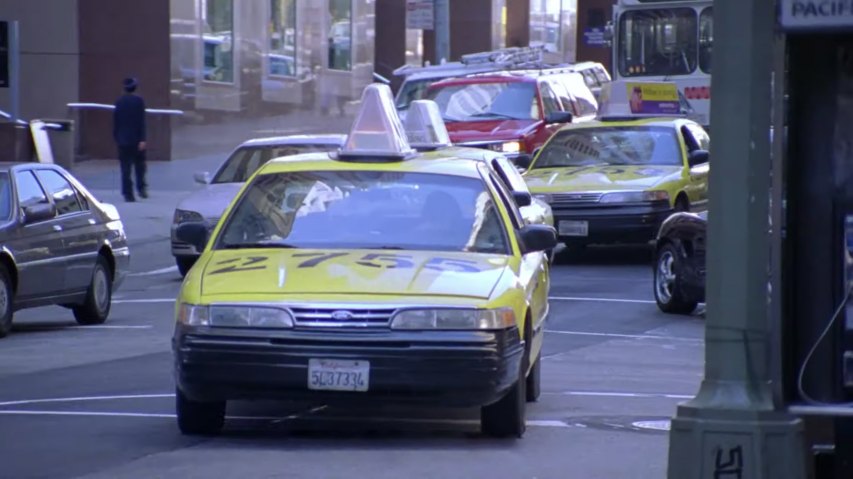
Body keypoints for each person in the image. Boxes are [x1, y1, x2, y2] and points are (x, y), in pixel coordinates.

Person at [113, 77, 147, 202]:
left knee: (125, 168)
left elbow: (116, 121)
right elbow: (141, 121)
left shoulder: (119, 101)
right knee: (140, 166)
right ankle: (141, 188)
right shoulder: (139, 101)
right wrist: (143, 139)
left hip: (122, 139)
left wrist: (116, 136)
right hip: (137, 139)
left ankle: (128, 194)